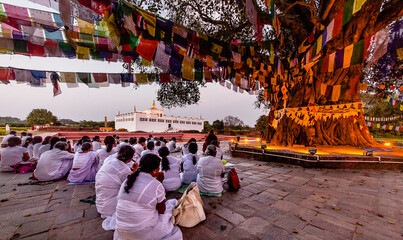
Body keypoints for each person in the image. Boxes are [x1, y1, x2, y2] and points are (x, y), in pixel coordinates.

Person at [114, 154, 182, 240]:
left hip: (122, 231)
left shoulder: (127, 181)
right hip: (140, 234)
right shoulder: (156, 185)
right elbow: (162, 210)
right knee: (171, 206)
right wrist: (160, 182)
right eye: (158, 168)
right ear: (154, 170)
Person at [95, 145, 138, 231]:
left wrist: (131, 171)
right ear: (130, 159)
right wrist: (134, 172)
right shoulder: (124, 170)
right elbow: (131, 187)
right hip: (110, 207)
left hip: (100, 203)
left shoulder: (110, 161)